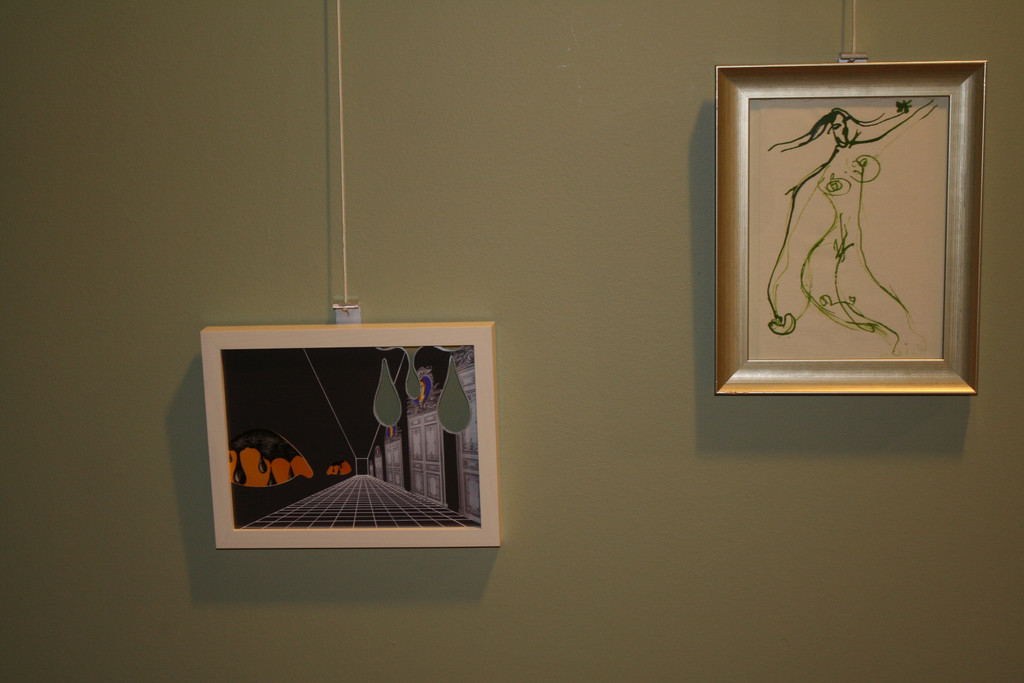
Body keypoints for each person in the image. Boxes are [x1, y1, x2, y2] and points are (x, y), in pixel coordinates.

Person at [765, 99, 935, 355]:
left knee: (848, 271)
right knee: (799, 256)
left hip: (838, 218)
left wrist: (914, 109)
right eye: (835, 127)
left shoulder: (863, 146)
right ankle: (783, 313)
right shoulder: (830, 166)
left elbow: (883, 129)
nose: (840, 131)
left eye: (844, 124)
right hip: (822, 207)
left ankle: (902, 332)